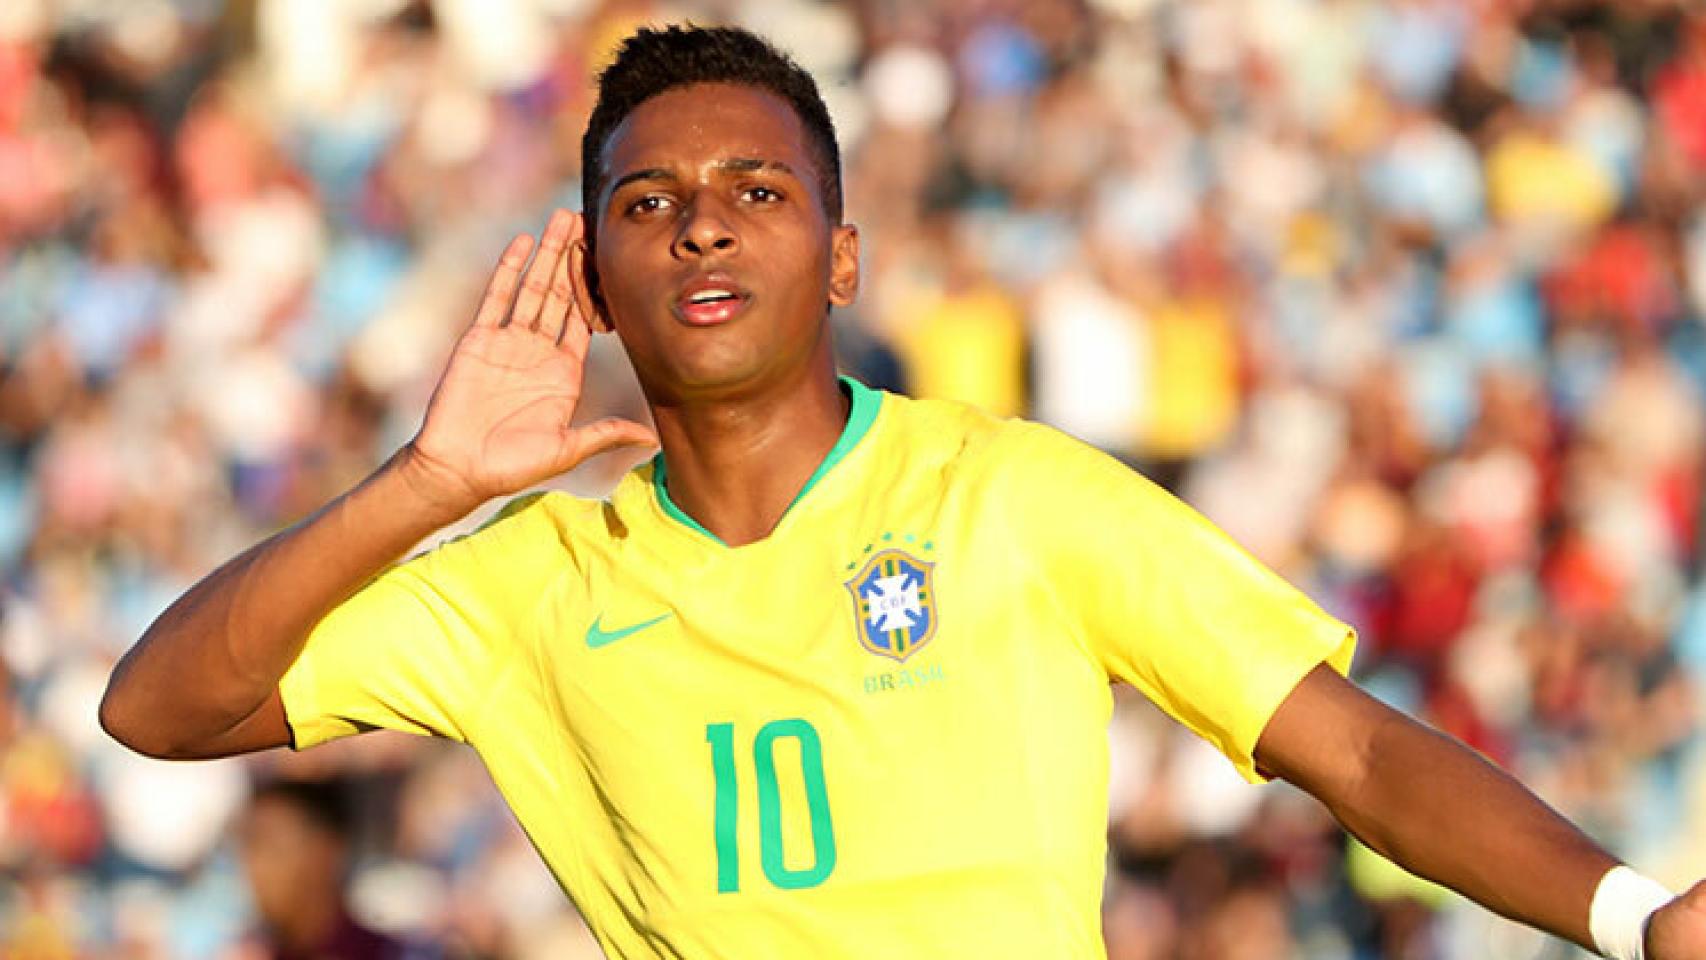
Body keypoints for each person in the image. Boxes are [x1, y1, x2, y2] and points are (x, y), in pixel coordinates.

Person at [101, 24, 1703, 960]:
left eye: (758, 192)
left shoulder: (1013, 496)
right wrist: (428, 480)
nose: (704, 228)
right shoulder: (527, 579)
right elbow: (159, 710)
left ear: (841, 253)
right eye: (648, 202)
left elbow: (1345, 747)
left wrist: (1634, 917)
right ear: (592, 272)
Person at [237, 778, 410, 960]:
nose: (252, 865)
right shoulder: (250, 952)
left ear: (324, 850)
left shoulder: (390, 953)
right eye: (247, 846)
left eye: (269, 844)